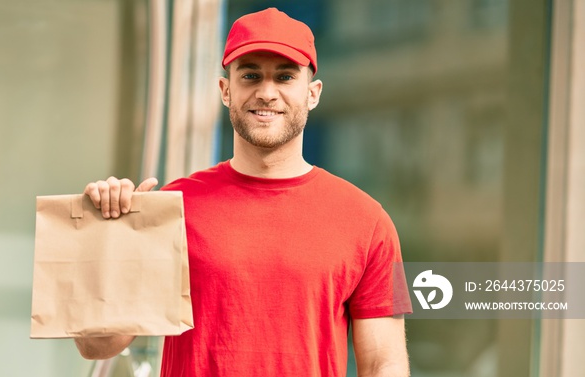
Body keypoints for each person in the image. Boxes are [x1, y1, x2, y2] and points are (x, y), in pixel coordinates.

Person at [75, 7, 412, 377]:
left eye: (284, 77)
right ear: (225, 90)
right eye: (250, 75)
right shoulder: (173, 205)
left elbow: (386, 363)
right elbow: (96, 345)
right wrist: (116, 238)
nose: (267, 93)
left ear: (313, 94)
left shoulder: (370, 223)